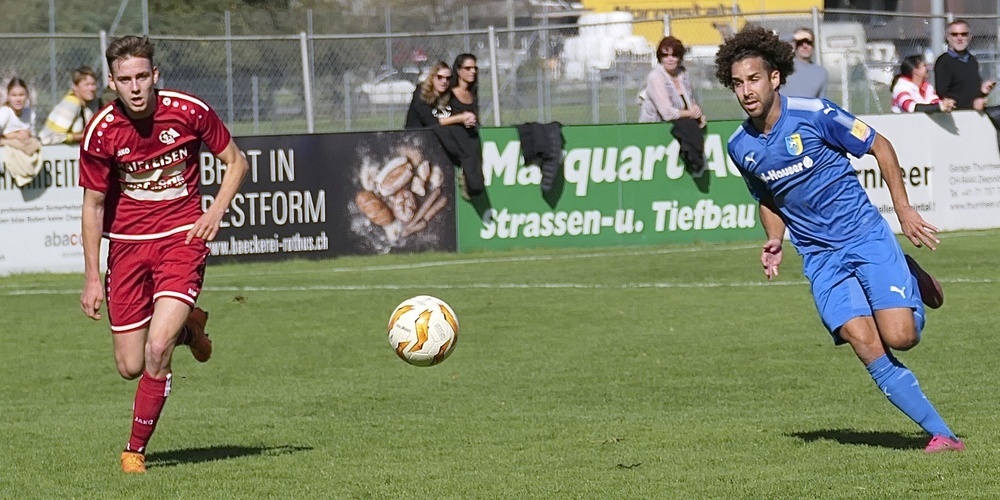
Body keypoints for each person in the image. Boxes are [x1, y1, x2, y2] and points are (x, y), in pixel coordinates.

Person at [715, 26, 964, 454]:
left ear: (774, 77)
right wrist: (774, 239)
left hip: (863, 236)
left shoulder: (815, 114)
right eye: (737, 83)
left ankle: (908, 273)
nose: (746, 91)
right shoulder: (740, 146)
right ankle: (943, 435)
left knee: (901, 337)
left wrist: (903, 209)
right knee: (863, 341)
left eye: (753, 79)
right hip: (819, 257)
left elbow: (881, 146)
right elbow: (767, 198)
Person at [78, 35, 249, 473]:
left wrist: (215, 210)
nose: (135, 87)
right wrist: (92, 277)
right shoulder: (101, 131)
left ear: (155, 75)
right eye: (125, 79)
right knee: (130, 365)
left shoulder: (189, 110)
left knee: (157, 348)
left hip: (181, 239)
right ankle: (191, 330)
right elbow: (93, 206)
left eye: (142, 76)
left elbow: (236, 162)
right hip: (127, 248)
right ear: (112, 82)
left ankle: (134, 450)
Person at [638, 36, 706, 127]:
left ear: (680, 57)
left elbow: (691, 101)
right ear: (660, 58)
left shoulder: (683, 74)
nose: (670, 59)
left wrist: (697, 111)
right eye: (665, 55)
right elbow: (667, 114)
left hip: (679, 127)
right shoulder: (655, 77)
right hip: (653, 128)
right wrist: (691, 113)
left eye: (674, 55)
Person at [444, 53, 484, 200]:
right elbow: (440, 120)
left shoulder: (472, 93)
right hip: (456, 141)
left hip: (471, 140)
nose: (472, 71)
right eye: (468, 68)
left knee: (477, 185)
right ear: (459, 71)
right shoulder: (449, 93)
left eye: (475, 68)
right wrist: (461, 119)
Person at [934, 19, 996, 111]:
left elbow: (970, 93)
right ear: (947, 37)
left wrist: (982, 91)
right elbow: (943, 95)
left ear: (970, 37)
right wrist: (971, 104)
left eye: (964, 34)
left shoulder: (972, 60)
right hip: (955, 115)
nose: (959, 38)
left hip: (974, 113)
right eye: (955, 34)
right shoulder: (943, 62)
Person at [403, 60, 475, 129]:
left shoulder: (449, 94)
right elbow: (432, 122)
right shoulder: (421, 93)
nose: (444, 81)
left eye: (448, 78)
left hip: (441, 135)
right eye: (440, 77)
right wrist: (460, 118)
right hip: (418, 135)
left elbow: (458, 111)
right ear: (432, 77)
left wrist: (468, 119)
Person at [40, 66, 99, 145]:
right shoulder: (71, 103)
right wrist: (82, 136)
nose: (91, 88)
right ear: (75, 87)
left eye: (93, 84)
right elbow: (54, 137)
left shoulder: (92, 103)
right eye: (87, 85)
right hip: (49, 148)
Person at [891, 55, 955, 113]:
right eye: (924, 65)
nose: (928, 68)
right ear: (915, 71)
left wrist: (946, 104)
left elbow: (935, 102)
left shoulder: (927, 87)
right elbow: (911, 107)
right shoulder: (901, 88)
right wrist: (939, 107)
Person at [781, 28, 828, 99]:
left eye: (809, 42)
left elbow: (821, 101)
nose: (805, 46)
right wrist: (793, 36)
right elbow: (768, 46)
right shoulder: (785, 64)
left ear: (813, 45)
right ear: (795, 45)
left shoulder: (821, 72)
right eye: (800, 42)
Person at [0, 77, 39, 151]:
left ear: (27, 96)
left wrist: (28, 134)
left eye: (21, 95)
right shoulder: (5, 112)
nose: (18, 99)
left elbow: (33, 136)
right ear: (8, 97)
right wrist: (14, 135)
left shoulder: (30, 113)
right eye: (14, 95)